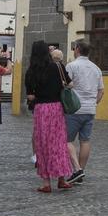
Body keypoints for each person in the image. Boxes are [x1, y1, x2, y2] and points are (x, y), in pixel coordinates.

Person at [24, 40, 74, 192]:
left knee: (43, 144)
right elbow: (70, 84)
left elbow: (30, 95)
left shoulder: (31, 71)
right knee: (59, 142)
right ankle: (61, 178)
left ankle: (46, 183)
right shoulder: (57, 67)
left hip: (41, 110)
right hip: (56, 108)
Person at [64, 39, 104, 184]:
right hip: (90, 109)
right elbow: (101, 91)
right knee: (85, 141)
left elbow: (65, 86)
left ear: (77, 49)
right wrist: (94, 103)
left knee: (67, 140)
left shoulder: (71, 66)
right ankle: (82, 170)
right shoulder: (96, 68)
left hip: (74, 109)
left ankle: (77, 169)